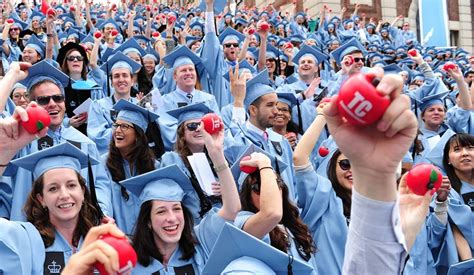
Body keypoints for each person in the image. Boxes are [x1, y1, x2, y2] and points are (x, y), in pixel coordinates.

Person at [323, 67, 431, 273]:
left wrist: (375, 175)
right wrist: (371, 174)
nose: (349, 171)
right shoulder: (326, 205)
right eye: (344, 164)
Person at [0, 61, 112, 222]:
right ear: (32, 104)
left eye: (58, 98)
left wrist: (102, 212)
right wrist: (11, 76)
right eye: (43, 100)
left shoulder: (85, 143)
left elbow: (99, 183)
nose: (52, 104)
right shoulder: (21, 141)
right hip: (31, 230)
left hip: (78, 231)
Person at [124, 122, 241, 273]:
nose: (172, 218)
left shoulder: (200, 242)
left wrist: (217, 156)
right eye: (161, 211)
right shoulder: (129, 263)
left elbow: (232, 210)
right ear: (148, 221)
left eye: (176, 208)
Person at [9, 142, 101, 269]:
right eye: (53, 189)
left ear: (83, 192)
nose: (64, 195)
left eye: (71, 185)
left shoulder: (100, 242)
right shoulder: (28, 243)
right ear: (41, 199)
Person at [161, 103, 225, 223]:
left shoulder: (217, 158)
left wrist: (224, 191)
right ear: (182, 135)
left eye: (202, 125)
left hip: (217, 223)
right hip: (189, 227)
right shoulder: (171, 160)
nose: (198, 129)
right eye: (191, 126)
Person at [103, 100, 159, 235]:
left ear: (138, 134)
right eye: (116, 125)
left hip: (147, 240)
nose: (117, 130)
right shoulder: (103, 164)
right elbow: (102, 198)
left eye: (124, 126)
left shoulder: (154, 166)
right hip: (117, 239)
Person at [87, 51, 141, 155]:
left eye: (125, 75)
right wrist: (129, 130)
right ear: (111, 82)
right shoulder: (98, 105)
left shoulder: (139, 105)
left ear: (132, 81)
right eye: (116, 76)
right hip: (110, 159)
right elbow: (97, 137)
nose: (121, 79)